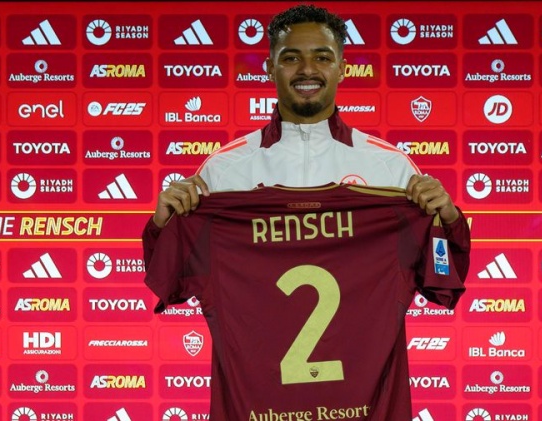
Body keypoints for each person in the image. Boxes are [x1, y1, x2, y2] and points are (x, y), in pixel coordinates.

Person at [143, 4, 470, 419]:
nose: (307, 69)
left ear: (343, 68)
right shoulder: (223, 171)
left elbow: (442, 280)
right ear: (269, 68)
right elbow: (170, 282)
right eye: (291, 57)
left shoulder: (391, 168)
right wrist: (163, 225)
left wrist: (448, 220)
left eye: (322, 56)